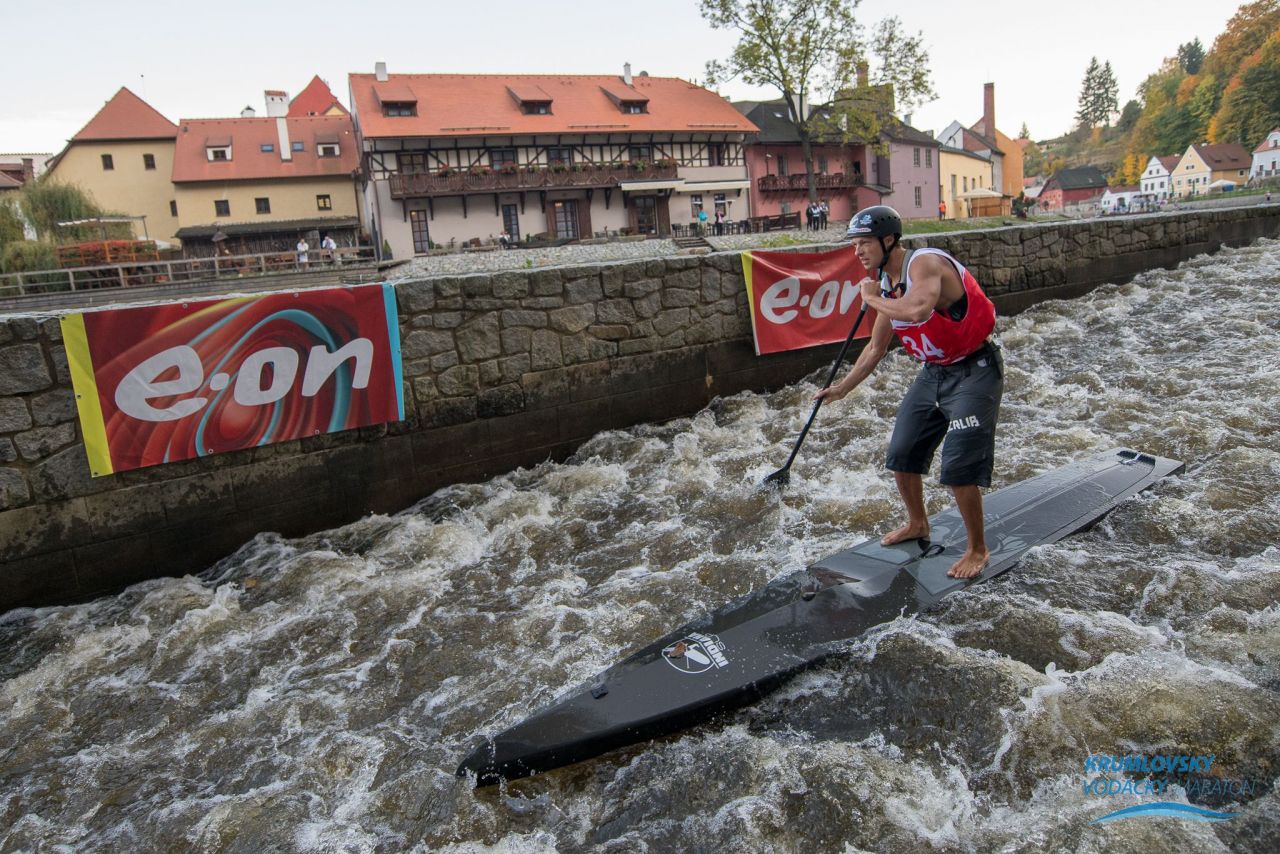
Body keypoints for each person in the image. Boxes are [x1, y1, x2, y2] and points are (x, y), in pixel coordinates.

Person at [815, 205, 1003, 579]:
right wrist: (841, 389)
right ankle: (918, 523)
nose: (858, 252)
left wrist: (869, 298)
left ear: (889, 240)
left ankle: (978, 549)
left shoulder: (924, 264)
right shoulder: (887, 285)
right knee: (902, 453)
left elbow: (917, 310)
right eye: (854, 245)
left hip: (974, 370)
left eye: (865, 243)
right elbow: (875, 349)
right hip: (933, 374)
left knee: (959, 467)